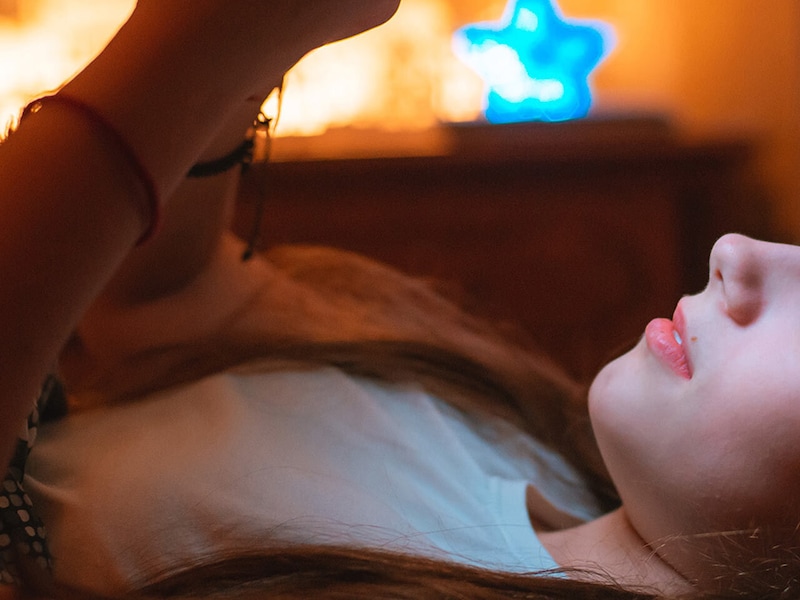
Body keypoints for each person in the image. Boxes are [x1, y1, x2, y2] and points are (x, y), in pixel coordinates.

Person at [1, 2, 797, 599]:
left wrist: (196, 39)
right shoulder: (505, 426)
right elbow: (163, 298)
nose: (736, 252)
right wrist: (255, 46)